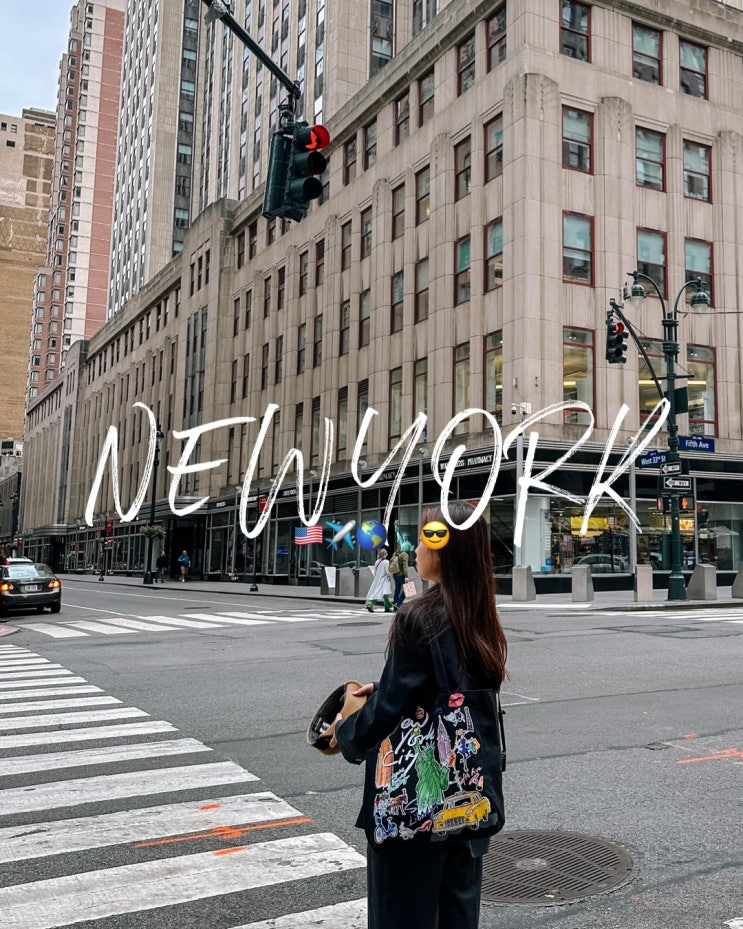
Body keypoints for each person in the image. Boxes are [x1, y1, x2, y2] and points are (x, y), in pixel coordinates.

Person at [335, 501, 508, 929]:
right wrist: (394, 689)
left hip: (414, 807)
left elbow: (389, 709)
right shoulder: (479, 613)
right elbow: (451, 691)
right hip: (469, 799)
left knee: (402, 913)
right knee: (458, 913)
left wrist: (346, 733)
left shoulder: (419, 615)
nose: (415, 548)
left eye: (426, 539)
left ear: (446, 549)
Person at [364, 547, 393, 613]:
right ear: (385, 554)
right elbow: (387, 571)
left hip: (377, 579)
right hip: (384, 580)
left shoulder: (377, 561)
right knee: (385, 594)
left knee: (376, 592)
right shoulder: (386, 562)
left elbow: (375, 571)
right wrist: (391, 575)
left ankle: (369, 603)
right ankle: (387, 607)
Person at [389, 545, 409, 610]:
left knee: (397, 589)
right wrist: (406, 576)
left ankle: (395, 603)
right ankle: (398, 604)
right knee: (407, 590)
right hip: (401, 575)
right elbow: (405, 566)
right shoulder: (404, 555)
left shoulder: (395, 554)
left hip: (395, 575)